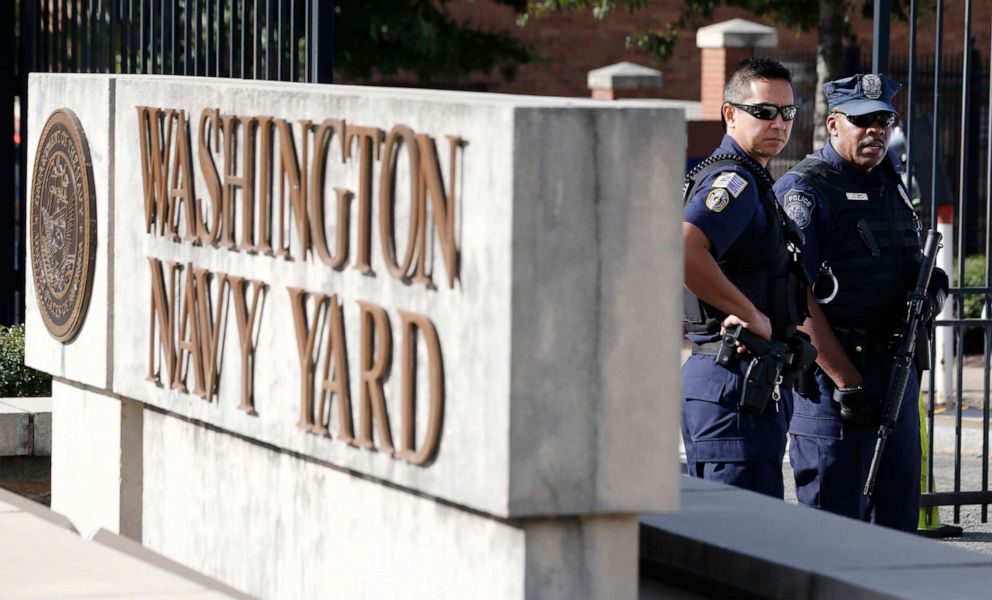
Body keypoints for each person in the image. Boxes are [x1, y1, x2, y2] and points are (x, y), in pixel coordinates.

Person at [774, 74, 948, 531]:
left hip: (895, 372)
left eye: (885, 120)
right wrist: (847, 382)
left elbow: (910, 262)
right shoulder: (806, 190)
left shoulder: (889, 180)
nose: (877, 131)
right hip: (835, 382)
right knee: (835, 525)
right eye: (863, 120)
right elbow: (795, 296)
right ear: (834, 124)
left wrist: (933, 289)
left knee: (896, 523)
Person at [681, 57, 810, 498]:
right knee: (743, 540)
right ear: (730, 113)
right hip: (734, 377)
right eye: (764, 111)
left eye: (788, 112)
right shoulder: (733, 180)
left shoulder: (752, 179)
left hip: (740, 380)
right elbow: (683, 249)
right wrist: (752, 315)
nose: (779, 123)